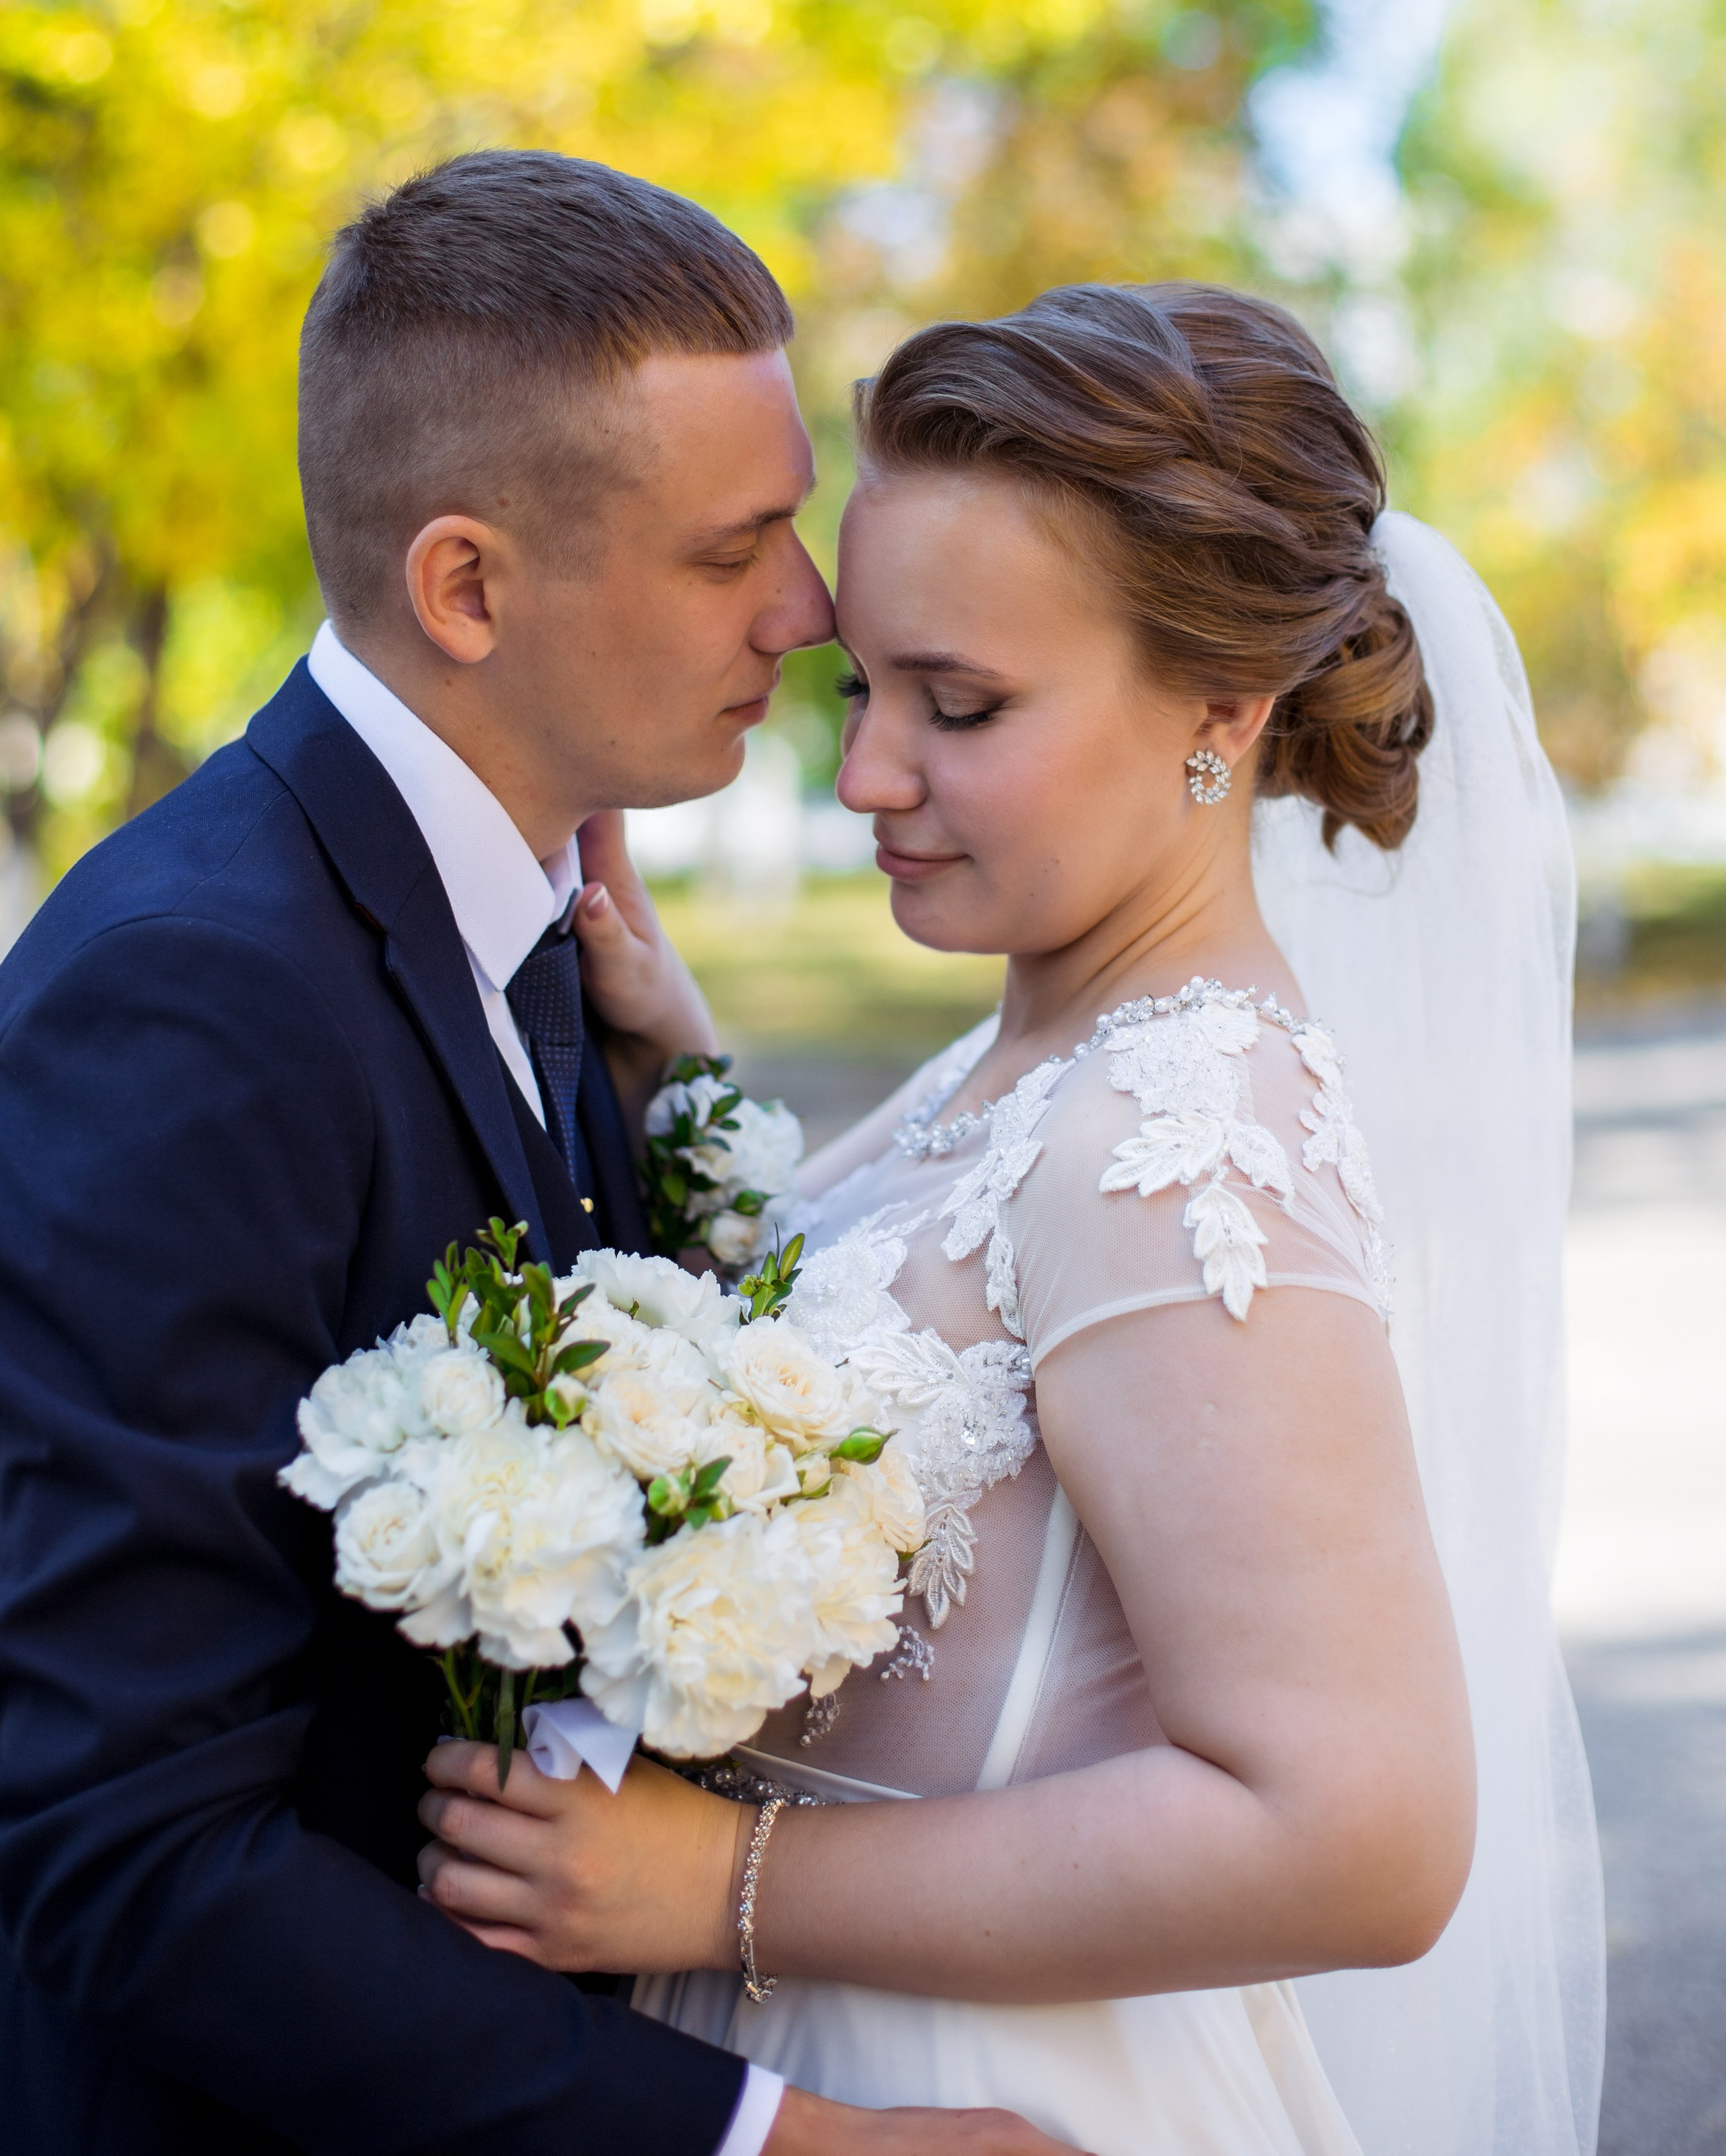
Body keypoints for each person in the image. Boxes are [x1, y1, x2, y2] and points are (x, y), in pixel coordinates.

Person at [417, 285, 1607, 2156]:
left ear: (1224, 713)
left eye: (959, 707)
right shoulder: (1055, 1037)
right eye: (862, 690)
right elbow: (955, 1332)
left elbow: (1362, 1834)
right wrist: (698, 1103)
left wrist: (721, 1884)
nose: (870, 776)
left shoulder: (1188, 1135)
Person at [0, 152, 1075, 2156]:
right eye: (728, 547)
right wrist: (779, 2144)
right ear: (468, 586)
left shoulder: (537, 911)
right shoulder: (194, 1001)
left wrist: (682, 1105)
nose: (814, 604)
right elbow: (123, 1841)